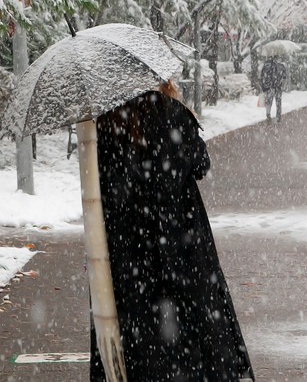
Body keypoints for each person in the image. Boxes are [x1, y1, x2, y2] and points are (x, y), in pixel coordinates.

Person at [91, 82, 255, 382]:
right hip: (181, 242)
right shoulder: (173, 114)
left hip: (128, 248)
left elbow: (99, 178)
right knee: (192, 328)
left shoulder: (108, 120)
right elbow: (201, 165)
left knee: (137, 334)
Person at [260, 56, 287, 122]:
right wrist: (281, 82)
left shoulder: (266, 65)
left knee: (269, 101)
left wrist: (264, 86)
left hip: (270, 87)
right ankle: (278, 116)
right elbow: (284, 77)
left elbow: (262, 75)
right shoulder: (281, 66)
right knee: (278, 102)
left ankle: (268, 113)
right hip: (278, 87)